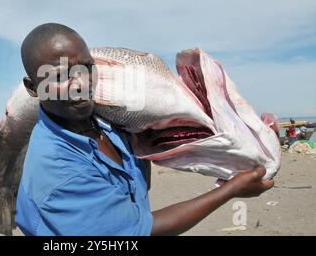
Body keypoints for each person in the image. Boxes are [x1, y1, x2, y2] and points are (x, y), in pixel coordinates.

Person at [15, 23, 274, 236]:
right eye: (60, 76)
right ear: (32, 87)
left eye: (87, 67)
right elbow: (139, 232)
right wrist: (230, 190)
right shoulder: (59, 174)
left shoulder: (103, 121)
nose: (80, 84)